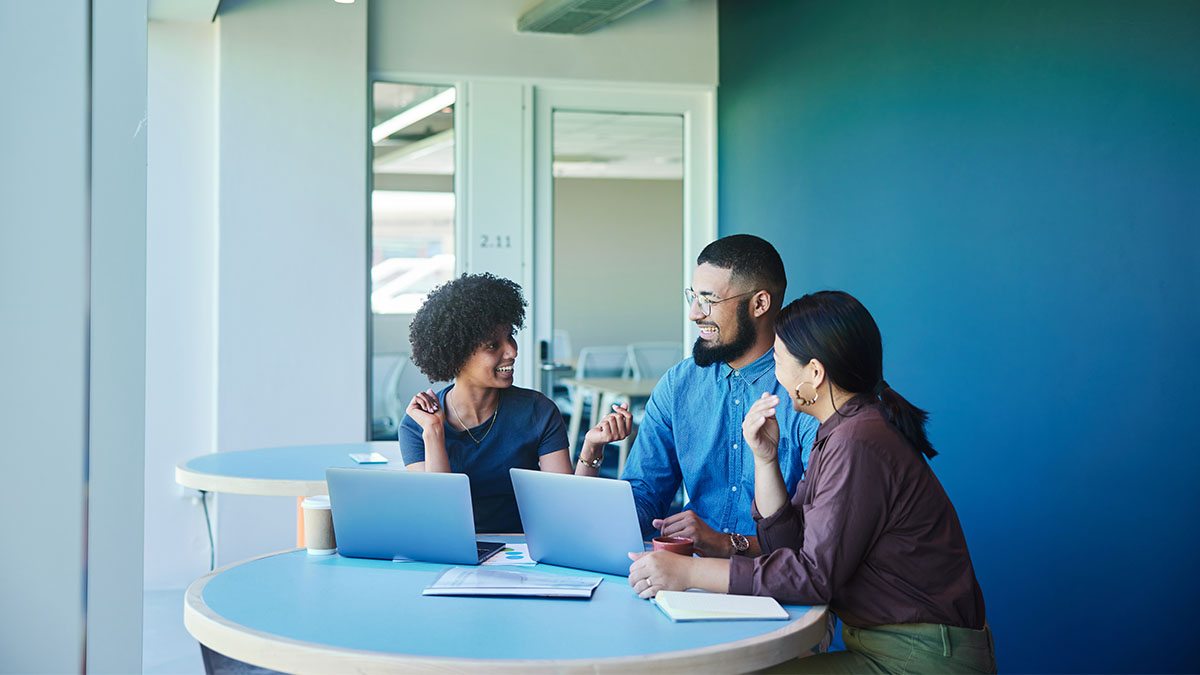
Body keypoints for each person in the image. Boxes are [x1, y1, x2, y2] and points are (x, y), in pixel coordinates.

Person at [627, 291, 996, 674]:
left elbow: (813, 577)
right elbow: (787, 546)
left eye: (780, 360)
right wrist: (765, 458)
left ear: (814, 373)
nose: (775, 372)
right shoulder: (843, 430)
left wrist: (687, 573)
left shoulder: (858, 441)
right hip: (896, 648)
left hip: (921, 659)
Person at [620, 234, 819, 557]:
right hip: (687, 577)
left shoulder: (808, 391)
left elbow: (819, 533)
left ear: (759, 304)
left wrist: (726, 544)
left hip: (781, 586)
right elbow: (645, 493)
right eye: (693, 297)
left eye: (709, 300)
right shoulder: (678, 384)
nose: (695, 313)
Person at [400, 273, 631, 533]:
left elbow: (567, 510)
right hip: (454, 550)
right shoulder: (417, 425)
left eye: (510, 336)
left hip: (527, 553)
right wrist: (433, 433)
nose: (512, 351)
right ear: (457, 354)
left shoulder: (537, 411)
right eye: (492, 345)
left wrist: (591, 448)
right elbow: (438, 518)